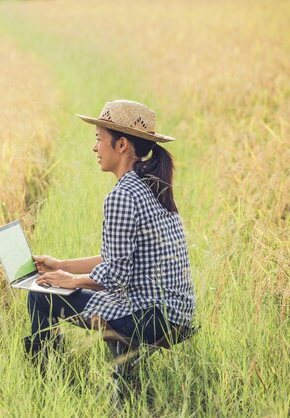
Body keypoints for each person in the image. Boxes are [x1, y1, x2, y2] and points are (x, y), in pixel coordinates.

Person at [25, 100, 196, 364]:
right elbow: (118, 259)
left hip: (150, 318)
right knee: (73, 291)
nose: (95, 147)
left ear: (122, 145)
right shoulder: (151, 187)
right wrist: (60, 265)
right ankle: (123, 376)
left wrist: (72, 280)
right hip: (177, 315)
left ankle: (44, 378)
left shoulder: (122, 196)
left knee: (40, 295)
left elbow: (115, 275)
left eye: (98, 139)